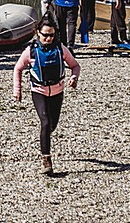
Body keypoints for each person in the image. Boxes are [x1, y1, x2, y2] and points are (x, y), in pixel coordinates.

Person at [13, 18, 80, 176]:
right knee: (45, 121)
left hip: (57, 91)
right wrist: (18, 90)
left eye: (52, 35)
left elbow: (75, 66)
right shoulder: (31, 51)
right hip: (39, 91)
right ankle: (46, 160)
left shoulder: (60, 49)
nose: (49, 38)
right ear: (38, 33)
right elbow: (18, 69)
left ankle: (44, 140)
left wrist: (74, 78)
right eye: (45, 35)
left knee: (52, 125)